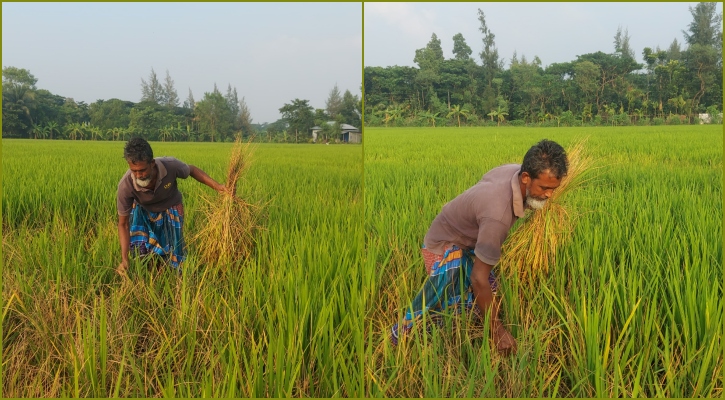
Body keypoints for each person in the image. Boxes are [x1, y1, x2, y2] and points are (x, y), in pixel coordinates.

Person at [391, 139, 569, 355]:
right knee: (454, 308)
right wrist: (497, 330)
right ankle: (407, 340)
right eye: (544, 188)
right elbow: (478, 278)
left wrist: (536, 196)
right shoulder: (497, 216)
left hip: (466, 237)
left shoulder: (513, 170)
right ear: (526, 178)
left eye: (553, 189)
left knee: (488, 294)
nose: (549, 195)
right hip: (443, 247)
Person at [116, 137, 226, 275]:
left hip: (171, 206)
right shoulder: (126, 185)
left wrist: (219, 187)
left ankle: (176, 276)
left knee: (175, 248)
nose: (139, 175)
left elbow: (191, 170)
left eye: (142, 170)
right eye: (134, 171)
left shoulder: (170, 165)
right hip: (144, 211)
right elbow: (123, 224)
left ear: (152, 163)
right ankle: (151, 273)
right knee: (142, 249)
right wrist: (124, 259)